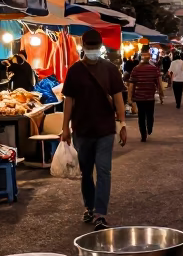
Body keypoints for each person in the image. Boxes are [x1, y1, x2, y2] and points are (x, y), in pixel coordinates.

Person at [60, 29, 127, 231]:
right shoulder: (74, 71)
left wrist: (122, 124)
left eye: (95, 47)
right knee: (86, 172)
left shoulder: (110, 69)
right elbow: (68, 101)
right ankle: (89, 207)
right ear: (83, 47)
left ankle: (100, 214)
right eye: (89, 48)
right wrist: (65, 128)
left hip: (105, 130)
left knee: (104, 171)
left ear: (100, 47)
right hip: (82, 130)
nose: (92, 51)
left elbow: (118, 98)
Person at [127, 48, 165, 142]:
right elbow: (159, 83)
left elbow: (131, 85)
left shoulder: (135, 69)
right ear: (150, 59)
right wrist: (161, 94)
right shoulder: (154, 69)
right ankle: (150, 128)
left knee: (141, 115)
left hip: (139, 97)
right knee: (149, 114)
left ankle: (143, 134)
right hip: (150, 97)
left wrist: (129, 98)